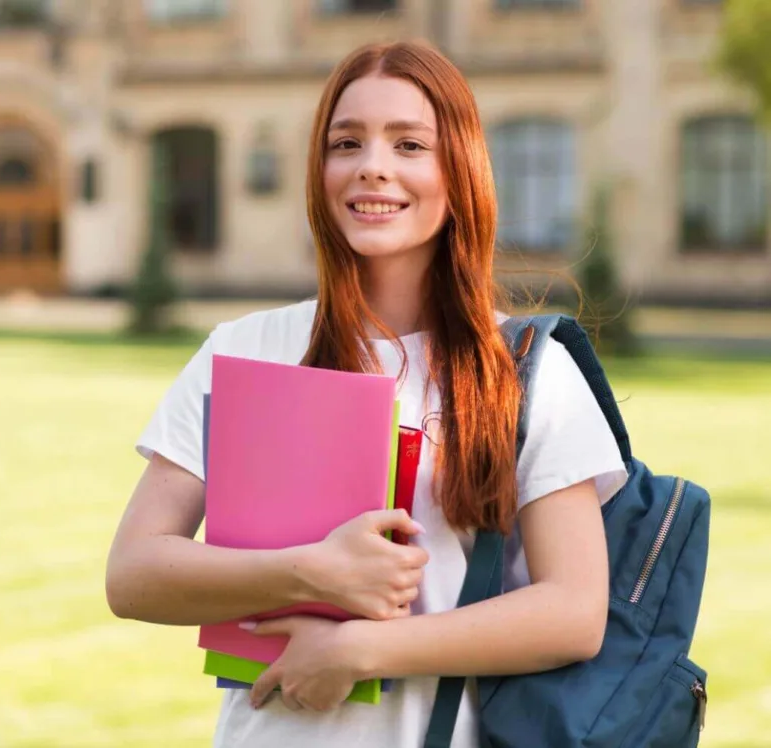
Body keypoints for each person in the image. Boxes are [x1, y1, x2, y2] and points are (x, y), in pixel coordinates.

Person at [104, 40, 629, 748]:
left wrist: (361, 650)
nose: (371, 166)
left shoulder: (527, 368)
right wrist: (311, 572)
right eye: (345, 143)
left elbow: (573, 612)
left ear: (459, 170)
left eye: (409, 144)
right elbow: (133, 574)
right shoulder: (245, 348)